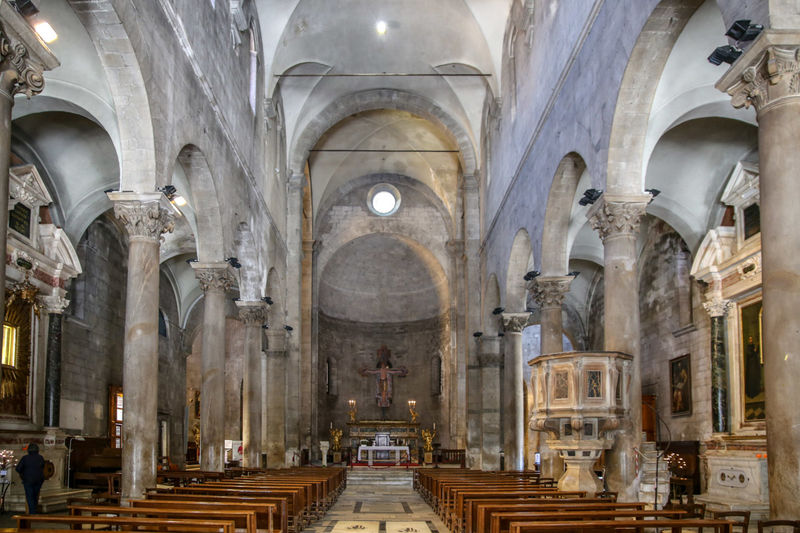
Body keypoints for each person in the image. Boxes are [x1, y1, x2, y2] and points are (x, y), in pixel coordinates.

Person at [15, 442, 45, 514]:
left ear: (28, 450)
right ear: (37, 450)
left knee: (30, 496)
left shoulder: (25, 458)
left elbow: (18, 468)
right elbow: (43, 466)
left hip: (28, 479)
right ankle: (34, 510)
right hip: (39, 479)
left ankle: (32, 512)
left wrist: (23, 474)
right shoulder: (40, 457)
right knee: (35, 495)